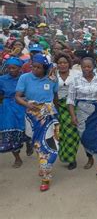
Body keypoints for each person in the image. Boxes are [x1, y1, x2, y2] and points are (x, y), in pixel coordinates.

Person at [15, 53, 59, 191]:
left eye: (39, 67)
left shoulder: (52, 79)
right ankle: (43, 166)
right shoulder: (24, 77)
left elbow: (55, 96)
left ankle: (45, 176)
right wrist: (27, 105)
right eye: (33, 66)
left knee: (52, 147)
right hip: (33, 116)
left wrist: (57, 113)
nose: (35, 69)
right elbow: (18, 97)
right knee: (39, 145)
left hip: (50, 116)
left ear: (45, 68)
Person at [67, 57, 97, 176]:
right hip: (82, 112)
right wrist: (73, 116)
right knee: (84, 136)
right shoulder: (75, 80)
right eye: (84, 67)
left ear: (94, 66)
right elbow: (70, 100)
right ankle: (90, 158)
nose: (86, 69)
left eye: (89, 66)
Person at [0, 57, 28, 168]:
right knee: (10, 133)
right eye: (9, 68)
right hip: (8, 109)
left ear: (20, 68)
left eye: (14, 68)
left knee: (26, 131)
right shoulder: (2, 79)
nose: (11, 70)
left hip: (23, 106)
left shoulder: (25, 78)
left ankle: (28, 144)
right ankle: (17, 158)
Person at [55, 52, 81, 170]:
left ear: (69, 63)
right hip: (58, 106)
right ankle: (64, 155)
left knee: (72, 133)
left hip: (73, 106)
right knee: (61, 133)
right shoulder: (53, 75)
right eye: (60, 63)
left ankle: (72, 158)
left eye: (65, 62)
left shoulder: (76, 74)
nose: (62, 65)